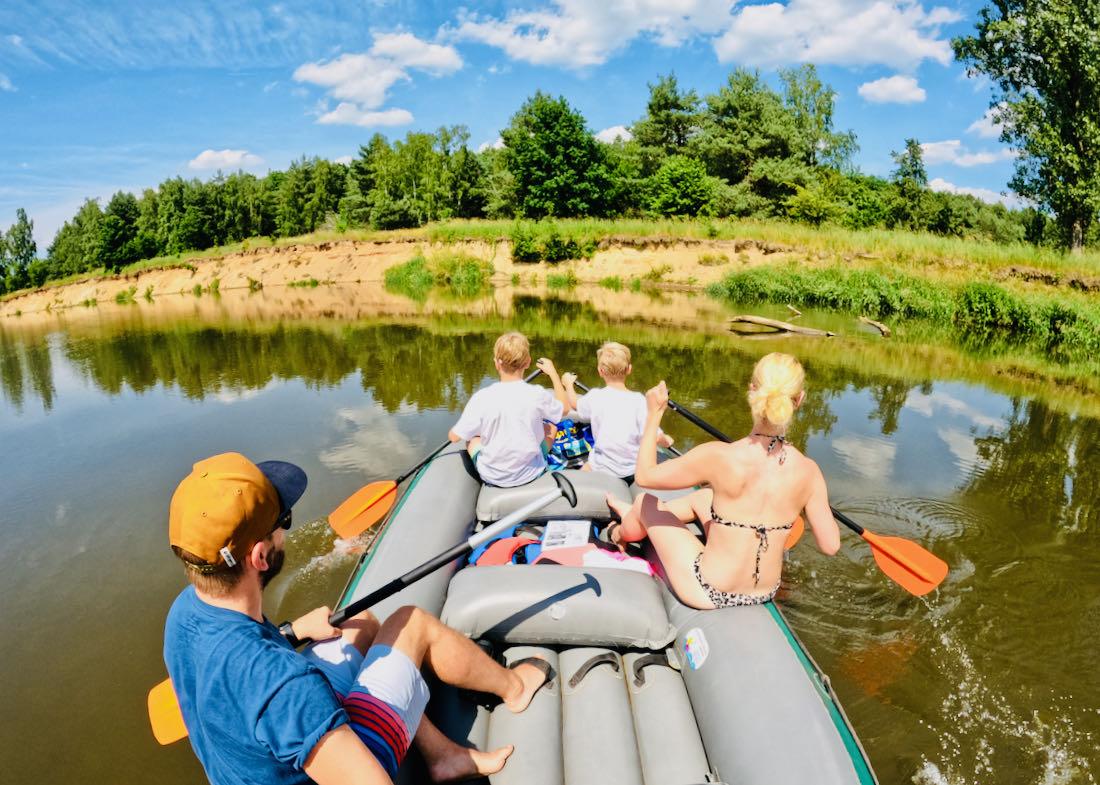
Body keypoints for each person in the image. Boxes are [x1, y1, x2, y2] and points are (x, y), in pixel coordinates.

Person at [163, 452, 549, 785]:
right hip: (323, 763)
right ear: (260, 556)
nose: (285, 532)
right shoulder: (286, 686)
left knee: (361, 622)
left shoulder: (184, 612)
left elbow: (247, 663)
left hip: (267, 754)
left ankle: (441, 755)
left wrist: (294, 631)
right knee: (411, 622)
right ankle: (514, 687)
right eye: (284, 521)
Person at [604, 353, 840, 609]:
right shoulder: (809, 471)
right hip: (765, 592)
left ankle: (619, 531)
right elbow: (831, 546)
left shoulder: (719, 456)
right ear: (799, 399)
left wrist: (653, 414)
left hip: (711, 591)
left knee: (644, 502)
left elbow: (645, 476)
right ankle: (638, 518)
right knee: (705, 496)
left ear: (752, 390)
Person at [448, 332, 569, 488]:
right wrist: (553, 373)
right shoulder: (537, 394)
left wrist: (473, 432)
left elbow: (454, 438)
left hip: (492, 476)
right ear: (528, 362)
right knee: (551, 427)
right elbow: (565, 409)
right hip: (530, 474)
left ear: (496, 363)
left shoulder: (482, 397)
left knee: (473, 440)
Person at [559, 341, 673, 482]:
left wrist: (568, 384)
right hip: (631, 470)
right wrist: (667, 441)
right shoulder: (639, 401)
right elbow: (655, 436)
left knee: (583, 471)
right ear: (629, 369)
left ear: (600, 371)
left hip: (599, 467)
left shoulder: (595, 396)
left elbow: (575, 404)